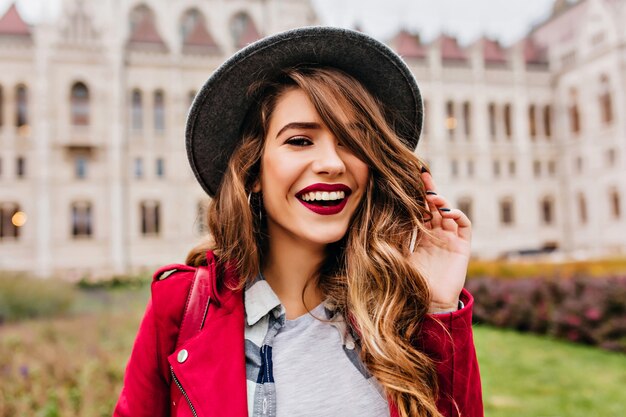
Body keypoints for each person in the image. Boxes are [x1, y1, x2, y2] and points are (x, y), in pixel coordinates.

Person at [114, 27, 483, 417]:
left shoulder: (398, 312)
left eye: (352, 142)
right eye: (300, 141)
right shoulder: (179, 310)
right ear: (252, 171)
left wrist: (439, 308)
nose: (332, 163)